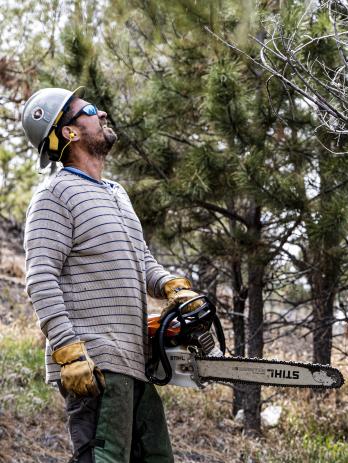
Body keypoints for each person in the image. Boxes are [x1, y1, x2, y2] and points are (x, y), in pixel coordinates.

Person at [21, 87, 202, 462]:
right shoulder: (55, 195)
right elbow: (40, 277)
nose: (101, 112)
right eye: (88, 109)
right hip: (95, 362)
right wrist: (68, 351)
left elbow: (143, 262)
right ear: (69, 132)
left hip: (135, 363)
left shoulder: (116, 193)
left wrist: (171, 286)